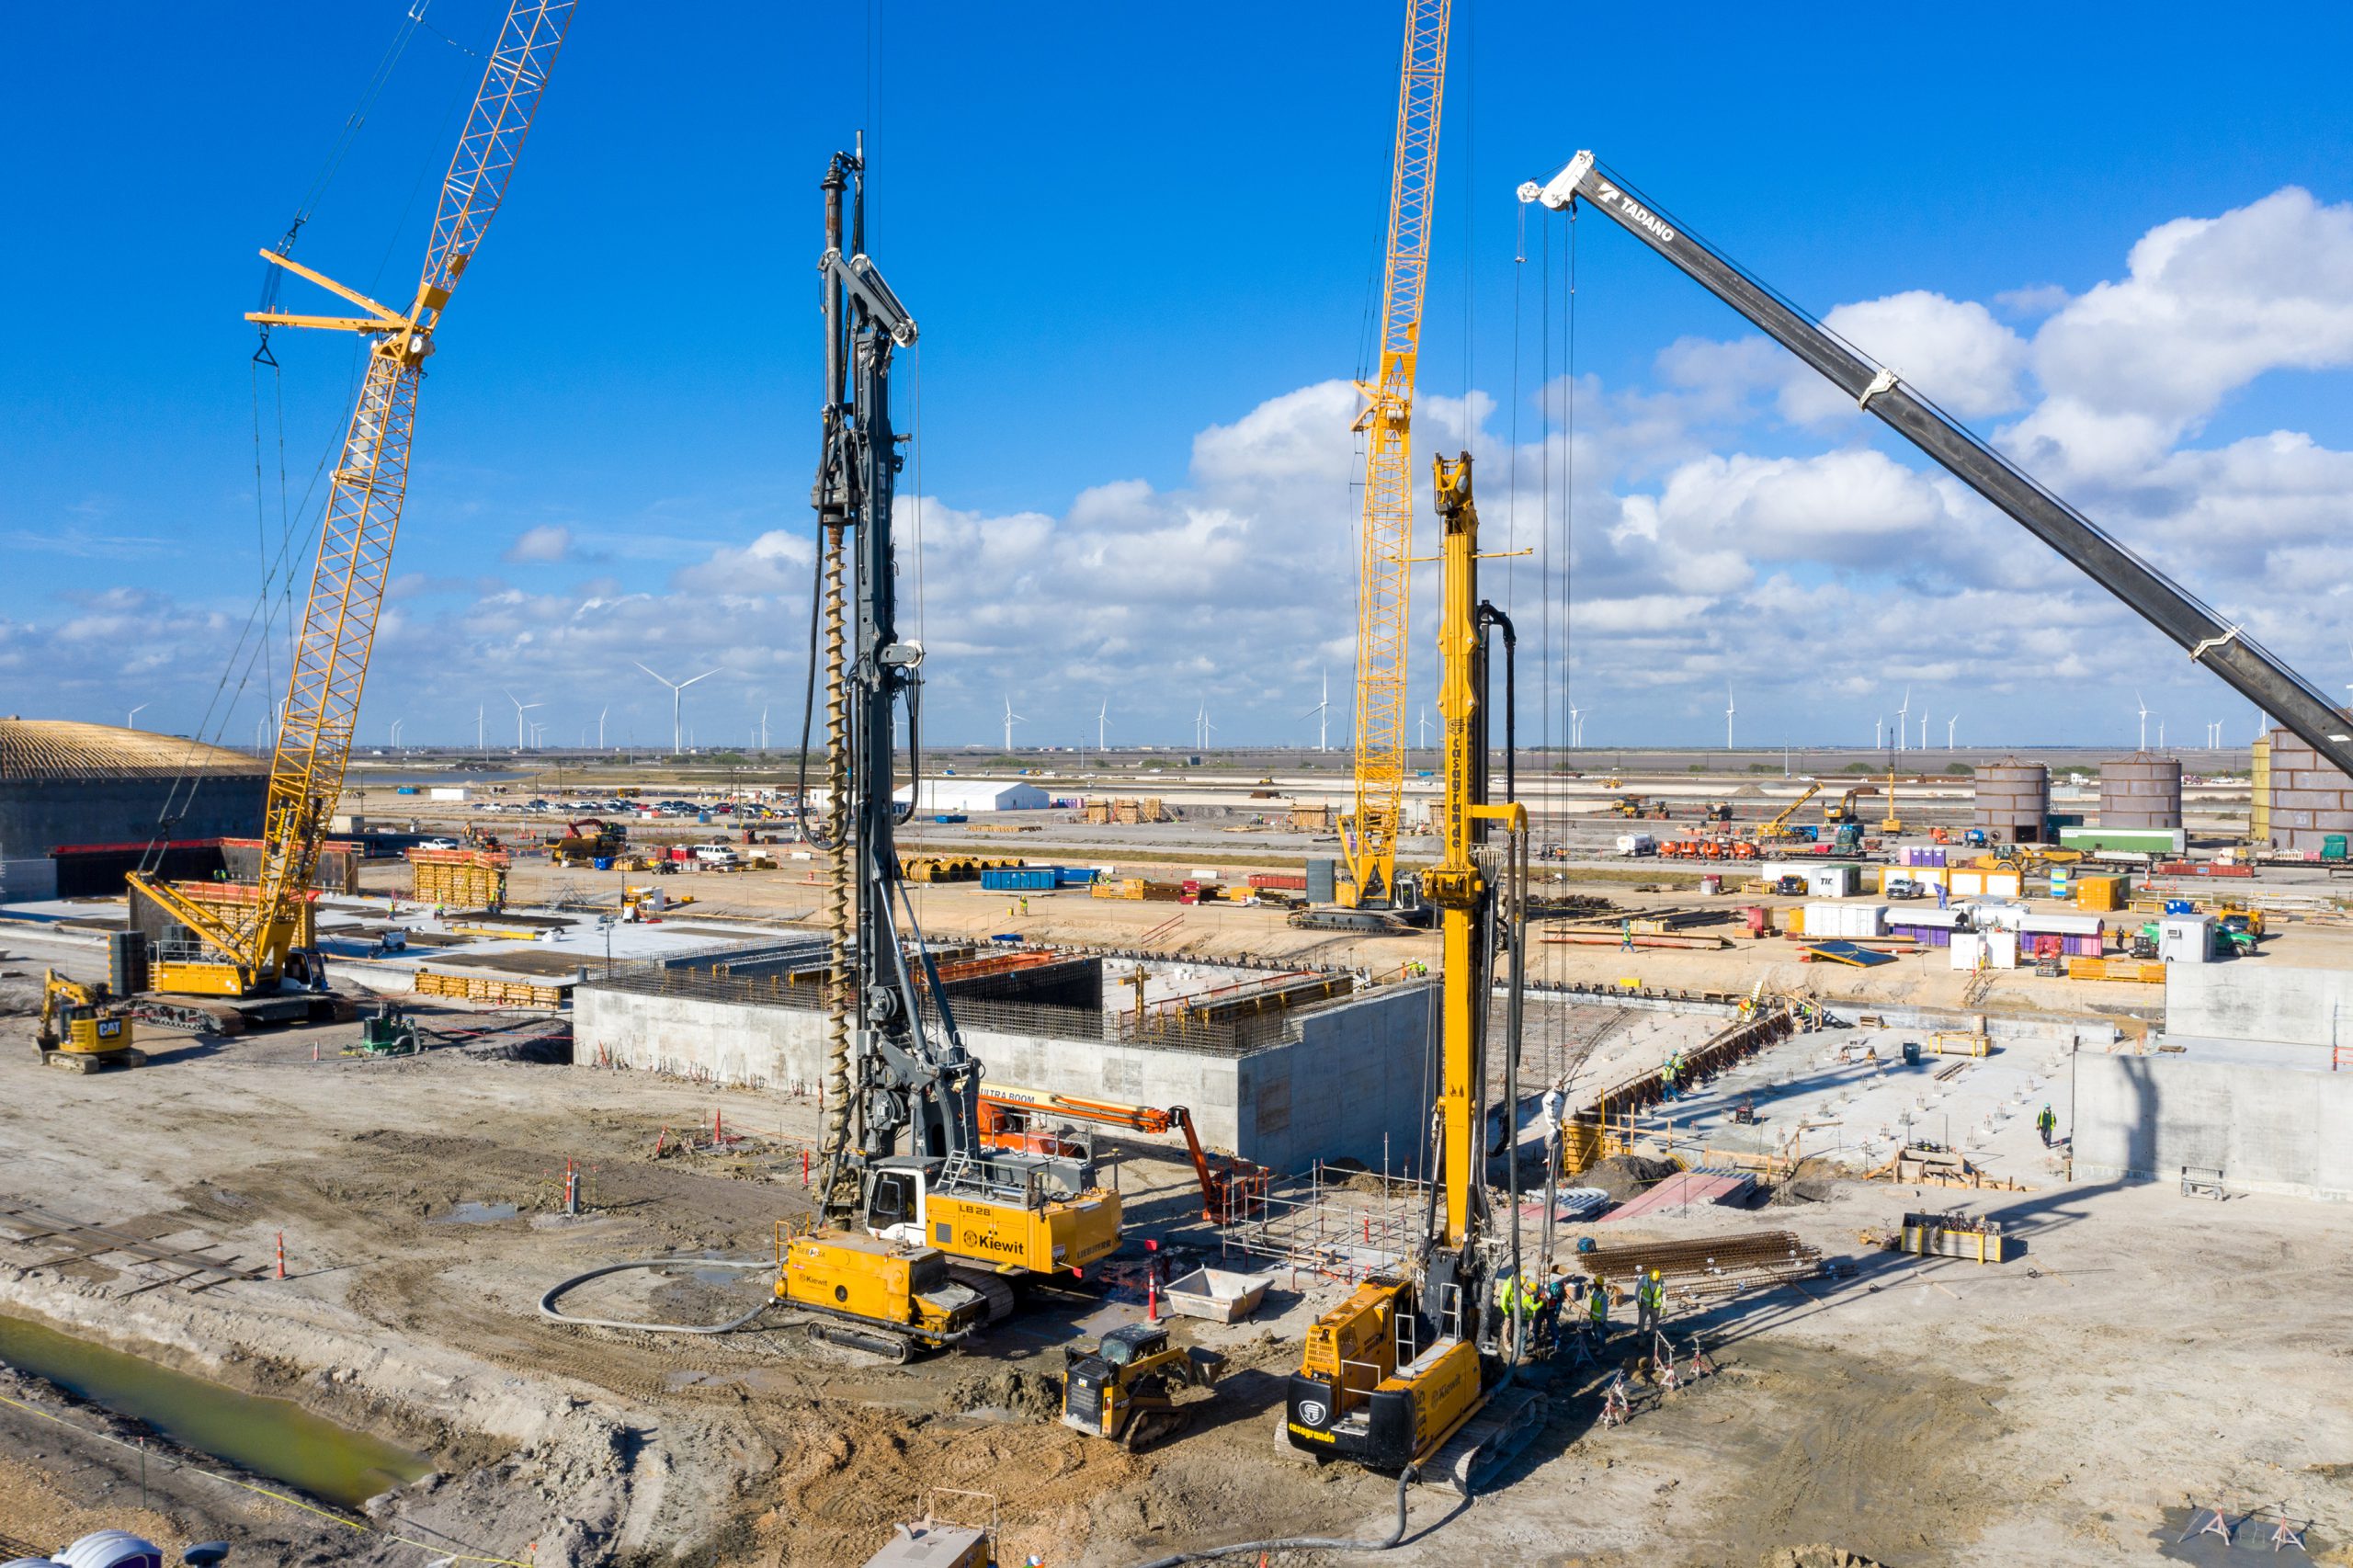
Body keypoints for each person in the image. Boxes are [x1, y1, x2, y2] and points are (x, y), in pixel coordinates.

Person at [1636, 1267, 1665, 1335]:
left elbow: (1664, 1293)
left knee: (1655, 1321)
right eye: (1653, 1280)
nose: (1654, 1282)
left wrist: (1665, 1306)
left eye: (1656, 1280)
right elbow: (1637, 1290)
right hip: (1645, 1305)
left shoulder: (1661, 1282)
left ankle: (1652, 1333)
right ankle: (1640, 1333)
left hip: (1656, 1306)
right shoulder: (1644, 1280)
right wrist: (1638, 1301)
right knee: (1641, 1320)